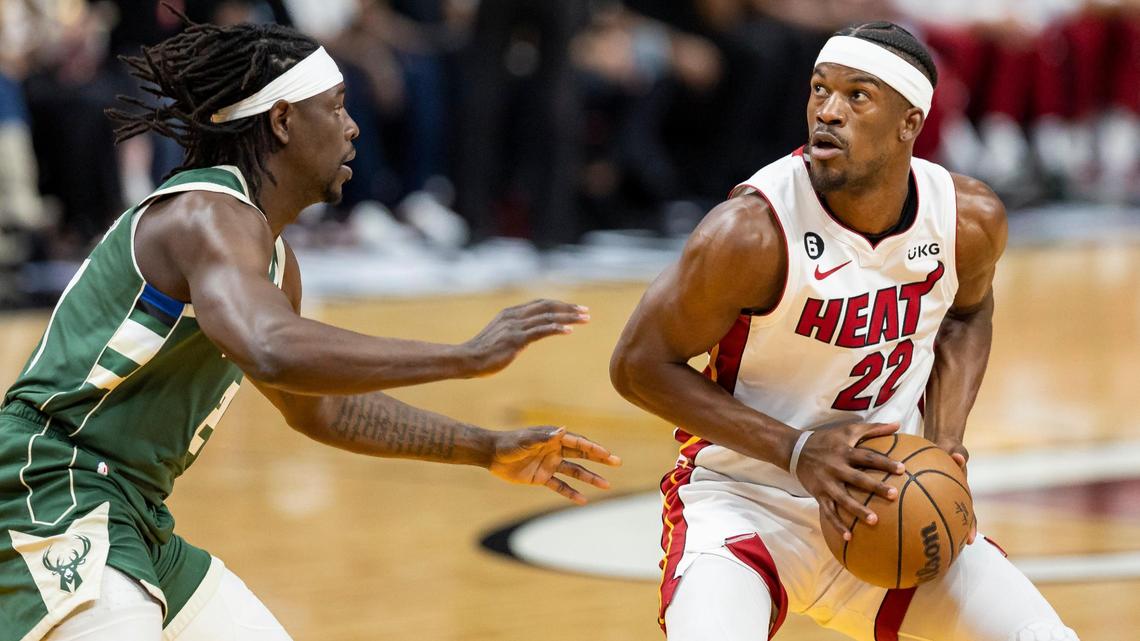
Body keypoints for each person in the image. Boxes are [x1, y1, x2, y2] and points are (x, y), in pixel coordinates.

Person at [0, 18, 621, 641]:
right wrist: (465, 356)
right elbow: (269, 349)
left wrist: (484, 448)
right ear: (282, 121)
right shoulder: (206, 215)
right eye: (338, 105)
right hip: (50, 488)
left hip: (131, 512)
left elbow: (320, 408)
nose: (353, 127)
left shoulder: (271, 259)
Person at [610, 20, 1077, 641]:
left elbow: (968, 313)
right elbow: (637, 364)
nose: (828, 111)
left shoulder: (965, 220)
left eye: (858, 95)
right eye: (819, 89)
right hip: (747, 503)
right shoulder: (749, 233)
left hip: (885, 498)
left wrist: (946, 441)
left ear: (909, 122)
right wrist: (797, 451)